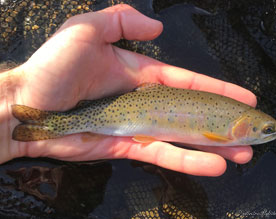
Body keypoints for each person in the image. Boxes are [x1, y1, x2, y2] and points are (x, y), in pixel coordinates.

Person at [0, 4, 256, 176]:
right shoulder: (227, 131)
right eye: (265, 131)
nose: (265, 134)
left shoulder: (231, 126)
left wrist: (13, 95)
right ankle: (53, 124)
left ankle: (46, 124)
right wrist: (15, 94)